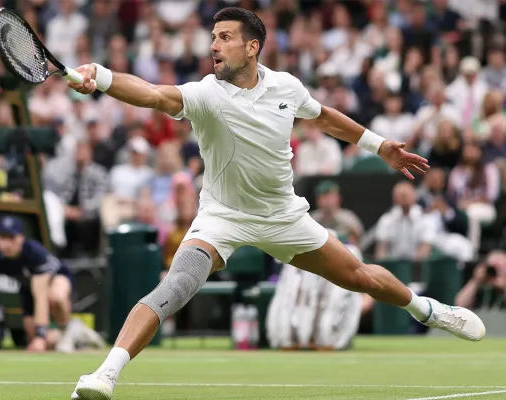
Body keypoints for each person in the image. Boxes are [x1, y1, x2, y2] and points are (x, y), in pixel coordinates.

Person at [67, 8, 486, 400]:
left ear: (252, 47)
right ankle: (106, 373)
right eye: (213, 37)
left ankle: (429, 310)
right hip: (222, 218)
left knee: (360, 277)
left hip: (284, 216)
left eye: (225, 37)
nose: (213, 45)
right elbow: (153, 94)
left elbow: (322, 117)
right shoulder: (205, 94)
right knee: (176, 286)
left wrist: (379, 147)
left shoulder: (287, 86)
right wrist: (101, 76)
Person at [0, 215, 102, 353]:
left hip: (57, 279)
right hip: (28, 289)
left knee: (55, 297)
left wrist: (41, 336)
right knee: (38, 341)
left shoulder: (34, 253)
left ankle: (66, 331)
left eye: (12, 238)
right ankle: (78, 333)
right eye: (3, 238)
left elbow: (41, 295)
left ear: (21, 238)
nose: (7, 244)